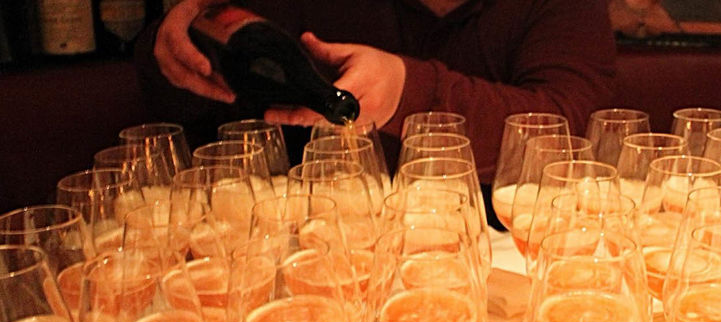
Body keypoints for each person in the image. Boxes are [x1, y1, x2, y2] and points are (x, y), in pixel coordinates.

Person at [135, 0, 616, 188]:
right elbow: (186, 105)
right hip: (320, 254)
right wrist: (175, 38)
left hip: (501, 265)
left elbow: (570, 129)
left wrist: (407, 92)